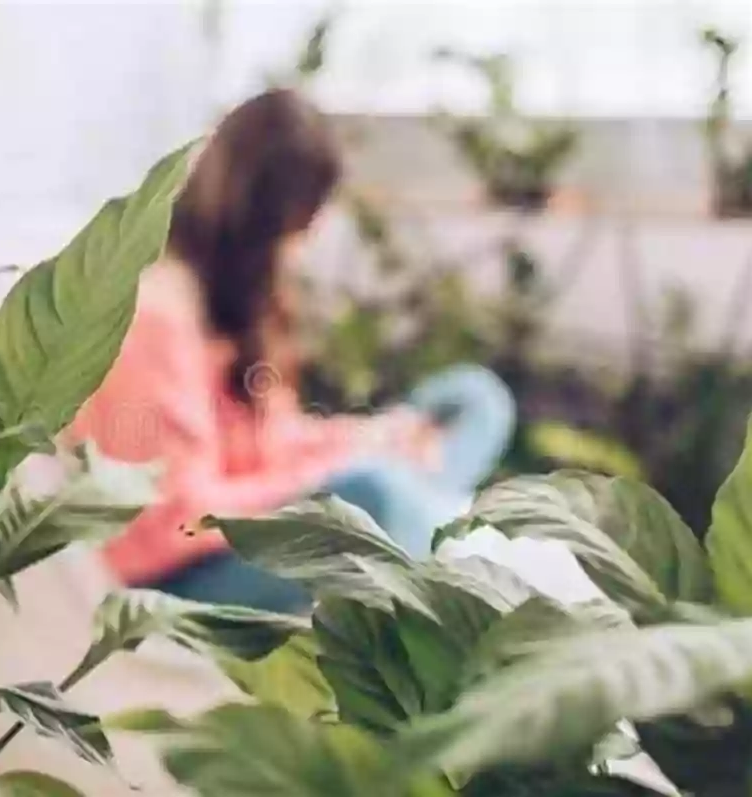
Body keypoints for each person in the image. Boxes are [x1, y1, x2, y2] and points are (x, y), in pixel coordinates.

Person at [67, 89, 514, 613]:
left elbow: (269, 445)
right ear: (265, 225)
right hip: (178, 575)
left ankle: (423, 513)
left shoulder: (225, 307)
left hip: (242, 520)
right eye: (297, 231)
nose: (299, 252)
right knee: (376, 497)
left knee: (476, 399)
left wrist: (370, 437)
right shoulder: (153, 321)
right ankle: (426, 519)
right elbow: (177, 519)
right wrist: (337, 475)